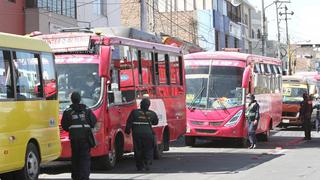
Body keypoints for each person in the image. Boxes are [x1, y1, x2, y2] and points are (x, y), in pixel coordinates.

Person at [61, 91, 97, 180]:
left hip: (74, 138)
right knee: (85, 158)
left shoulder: (67, 111)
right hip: (85, 137)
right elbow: (93, 121)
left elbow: (64, 125)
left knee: (75, 157)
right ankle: (84, 177)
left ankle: (76, 177)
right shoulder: (87, 109)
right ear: (80, 99)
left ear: (71, 100)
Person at [125, 98, 159, 171]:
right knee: (148, 149)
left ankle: (140, 166)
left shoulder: (134, 112)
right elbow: (155, 122)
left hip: (137, 134)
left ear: (140, 105)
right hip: (148, 134)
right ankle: (147, 163)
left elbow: (129, 122)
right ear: (149, 105)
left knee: (138, 150)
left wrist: (127, 131)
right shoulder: (152, 113)